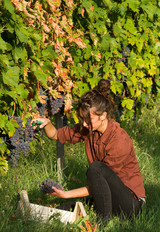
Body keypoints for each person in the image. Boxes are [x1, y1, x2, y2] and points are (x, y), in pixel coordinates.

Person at [31, 79, 146, 223]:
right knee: (66, 209)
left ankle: (102, 224)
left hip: (131, 204)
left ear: (103, 115)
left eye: (88, 119)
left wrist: (66, 193)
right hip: (108, 196)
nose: (84, 124)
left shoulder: (118, 139)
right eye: (82, 118)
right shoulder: (89, 129)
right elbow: (56, 135)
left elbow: (101, 180)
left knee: (95, 168)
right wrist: (47, 123)